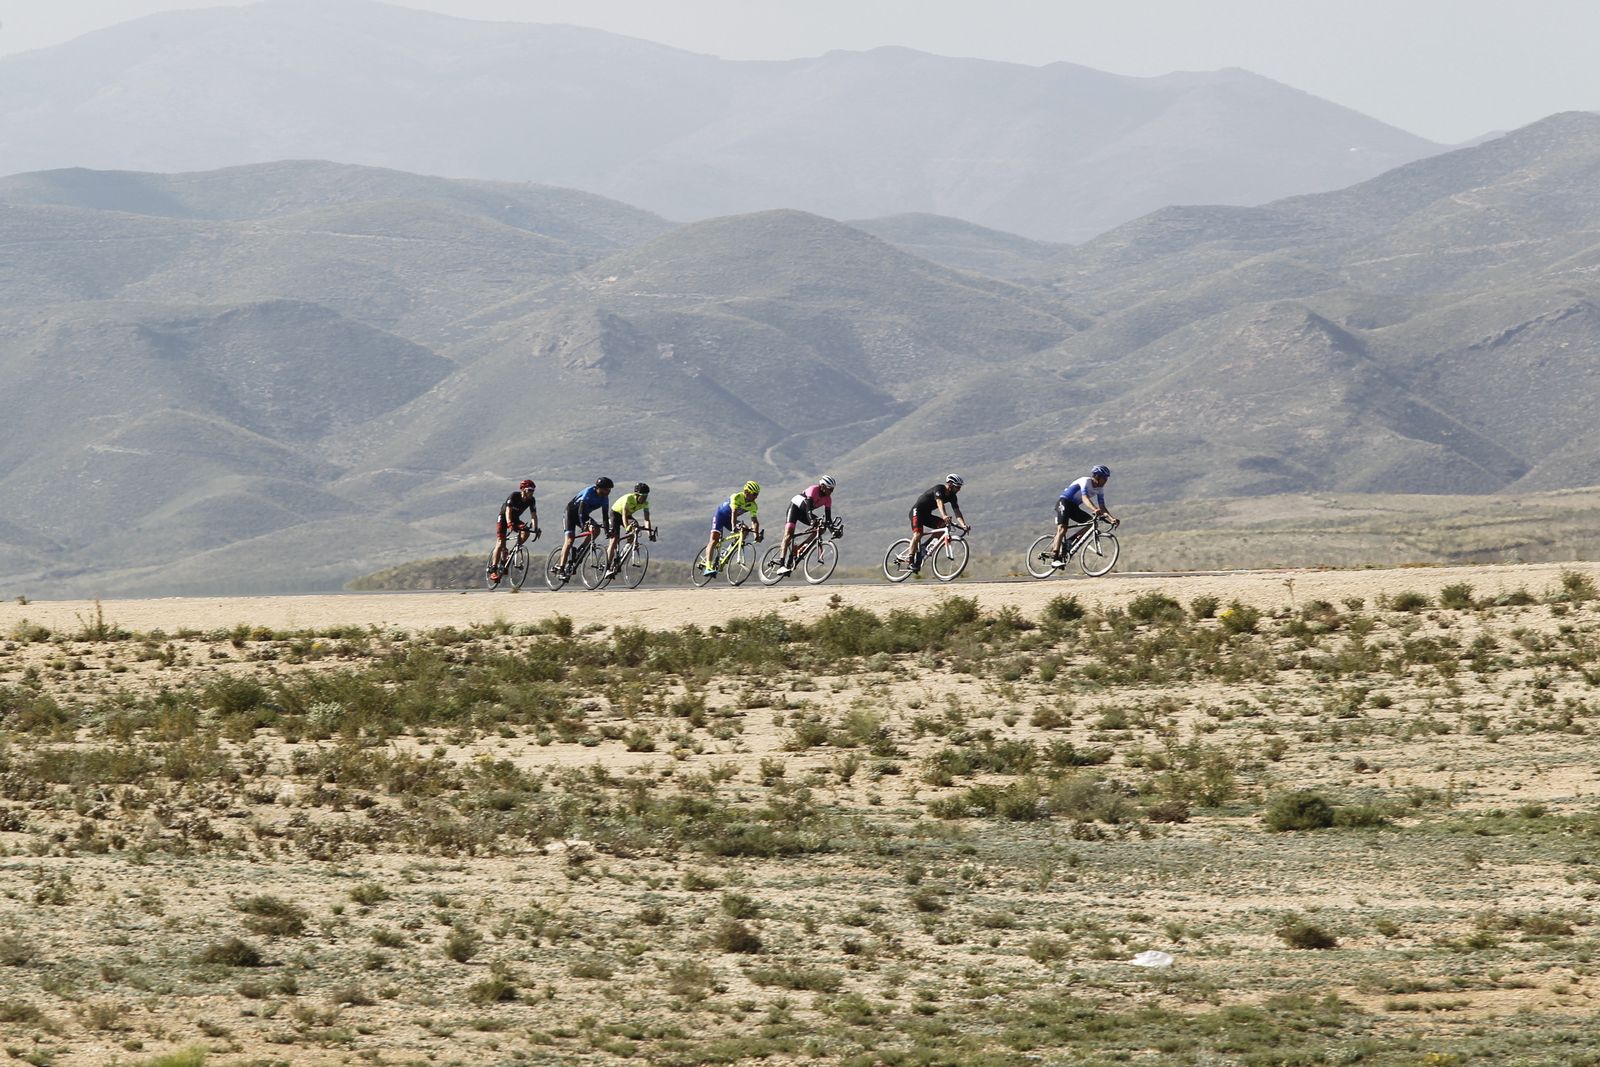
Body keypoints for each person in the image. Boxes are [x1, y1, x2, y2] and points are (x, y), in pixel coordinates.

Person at [1050, 465, 1118, 564]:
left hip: (1073, 507)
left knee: (1090, 523)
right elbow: (1085, 498)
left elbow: (1102, 507)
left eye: (1107, 478)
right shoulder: (1085, 481)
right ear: (1097, 476)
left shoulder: (1100, 489)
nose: (1106, 481)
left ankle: (1070, 541)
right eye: (1104, 478)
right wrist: (1095, 509)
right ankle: (1055, 557)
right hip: (1064, 502)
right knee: (1063, 528)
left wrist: (1112, 519)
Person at [776, 475, 836, 574]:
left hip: (806, 513)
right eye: (830, 489)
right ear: (822, 486)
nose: (831, 492)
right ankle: (781, 565)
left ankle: (801, 547)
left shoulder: (828, 499)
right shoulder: (813, 490)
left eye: (832, 490)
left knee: (821, 528)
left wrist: (833, 531)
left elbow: (828, 519)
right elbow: (808, 510)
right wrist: (812, 520)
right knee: (789, 535)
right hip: (795, 508)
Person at [909, 474, 968, 574]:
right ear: (950, 485)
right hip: (917, 512)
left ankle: (924, 546)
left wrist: (963, 525)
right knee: (918, 534)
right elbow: (939, 503)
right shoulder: (939, 489)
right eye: (957, 487)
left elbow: (957, 511)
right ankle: (910, 561)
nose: (959, 489)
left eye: (960, 487)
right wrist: (944, 516)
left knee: (943, 527)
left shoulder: (953, 497)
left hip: (927, 515)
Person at [557, 477, 615, 575]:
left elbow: (605, 517)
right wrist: (584, 525)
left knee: (596, 530)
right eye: (607, 489)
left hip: (583, 515)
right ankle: (561, 568)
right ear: (599, 488)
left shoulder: (605, 499)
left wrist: (607, 532)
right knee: (570, 540)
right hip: (571, 514)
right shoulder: (589, 492)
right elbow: (580, 510)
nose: (608, 491)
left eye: (609, 489)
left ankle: (580, 550)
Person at [703, 481, 762, 576]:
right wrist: (734, 527)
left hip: (730, 519)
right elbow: (734, 512)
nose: (756, 497)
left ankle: (728, 552)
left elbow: (754, 521)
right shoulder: (737, 497)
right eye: (754, 494)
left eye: (757, 494)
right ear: (747, 492)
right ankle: (708, 567)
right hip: (720, 516)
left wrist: (756, 535)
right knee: (714, 540)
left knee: (745, 530)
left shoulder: (753, 505)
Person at [487, 479, 539, 583]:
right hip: (503, 518)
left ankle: (513, 550)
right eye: (529, 490)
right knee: (501, 542)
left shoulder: (531, 500)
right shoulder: (514, 496)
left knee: (526, 532)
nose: (531, 492)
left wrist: (536, 528)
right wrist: (509, 523)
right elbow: (508, 511)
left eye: (533, 490)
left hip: (515, 519)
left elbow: (533, 515)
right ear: (523, 489)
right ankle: (493, 569)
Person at [607, 482, 655, 576]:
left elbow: (646, 519)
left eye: (646, 496)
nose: (645, 498)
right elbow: (624, 515)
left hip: (628, 516)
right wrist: (627, 528)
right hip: (616, 515)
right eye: (643, 496)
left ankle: (620, 559)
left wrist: (650, 534)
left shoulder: (646, 503)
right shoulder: (628, 498)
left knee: (635, 528)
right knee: (614, 540)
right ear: (636, 495)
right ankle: (607, 567)